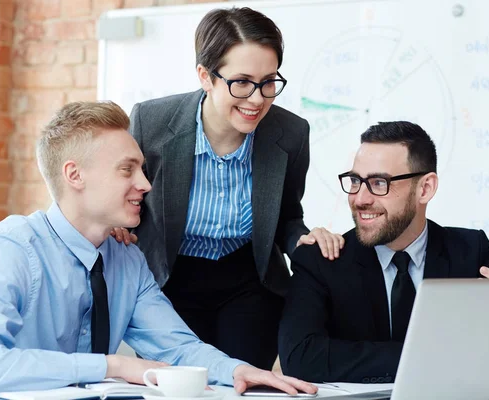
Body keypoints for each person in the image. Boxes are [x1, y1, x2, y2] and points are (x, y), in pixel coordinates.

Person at [0, 102, 318, 398]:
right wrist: (112, 366)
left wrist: (237, 370)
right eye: (127, 170)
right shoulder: (10, 250)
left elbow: (177, 347)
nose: (146, 184)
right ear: (74, 175)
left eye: (141, 168)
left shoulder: (126, 260)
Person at [114, 7, 344, 370]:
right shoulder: (151, 122)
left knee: (241, 384)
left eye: (269, 82)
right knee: (181, 388)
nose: (257, 99)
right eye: (242, 82)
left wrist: (303, 238)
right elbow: (126, 196)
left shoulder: (291, 134)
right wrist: (118, 227)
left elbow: (287, 215)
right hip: (170, 278)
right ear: (206, 76)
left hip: (249, 282)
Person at [278, 121, 489, 383]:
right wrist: (433, 357)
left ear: (425, 189)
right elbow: (300, 359)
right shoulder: (321, 260)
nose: (360, 199)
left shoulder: (469, 252)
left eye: (379, 183)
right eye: (355, 181)